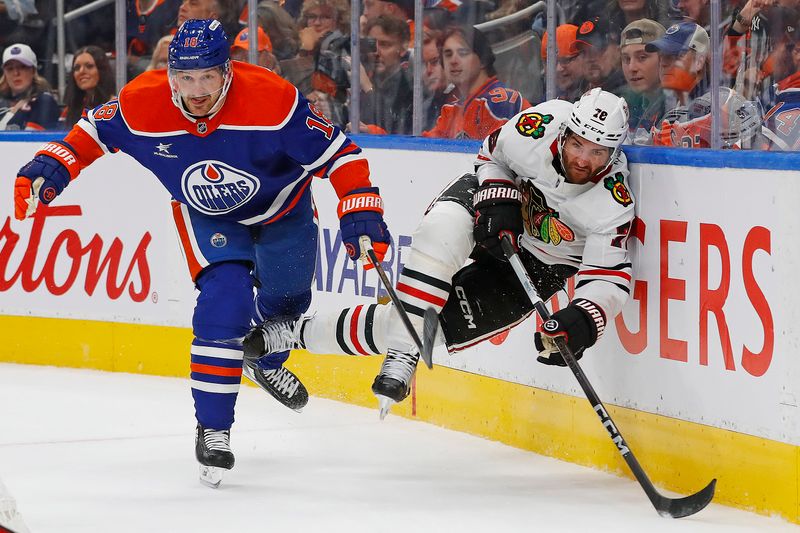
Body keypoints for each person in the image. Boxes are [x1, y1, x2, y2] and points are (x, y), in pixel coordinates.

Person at [12, 19, 390, 487]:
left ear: (226, 71)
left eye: (207, 76)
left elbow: (341, 153)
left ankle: (264, 361)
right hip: (205, 213)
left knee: (288, 305)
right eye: (185, 78)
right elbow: (91, 133)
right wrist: (53, 164)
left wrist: (360, 207)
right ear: (171, 73)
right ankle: (214, 429)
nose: (196, 91)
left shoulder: (271, 99)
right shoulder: (141, 100)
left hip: (284, 208)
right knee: (223, 302)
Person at [244, 88, 634, 417]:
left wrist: (582, 320)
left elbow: (609, 277)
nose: (583, 159)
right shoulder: (541, 124)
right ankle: (403, 352)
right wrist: (500, 196)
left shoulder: (613, 203)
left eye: (598, 152)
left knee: (434, 329)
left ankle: (291, 333)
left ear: (613, 154)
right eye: (578, 144)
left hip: (543, 260)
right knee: (439, 233)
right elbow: (492, 155)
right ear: (566, 132)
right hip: (497, 198)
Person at [423, 26, 529, 139]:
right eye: (448, 55)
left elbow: (495, 153)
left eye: (463, 53)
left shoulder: (499, 102)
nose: (453, 61)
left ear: (483, 59)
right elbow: (423, 149)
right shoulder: (452, 111)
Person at [618, 19, 667, 141]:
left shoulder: (676, 107)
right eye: (626, 59)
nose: (632, 68)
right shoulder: (621, 104)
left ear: (665, 59)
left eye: (642, 57)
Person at [0, 43, 59, 131]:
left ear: (33, 71)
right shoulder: (2, 103)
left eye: (22, 67)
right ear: (5, 73)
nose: (16, 73)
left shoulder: (44, 101)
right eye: (10, 69)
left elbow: (31, 141)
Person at [61, 46, 116, 130]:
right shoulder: (68, 111)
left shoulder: (116, 108)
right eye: (77, 68)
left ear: (102, 70)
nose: (81, 71)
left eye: (89, 66)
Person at [541, 23, 586, 103]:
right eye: (552, 63)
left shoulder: (595, 96)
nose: (559, 68)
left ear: (584, 56)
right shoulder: (547, 96)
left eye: (566, 60)